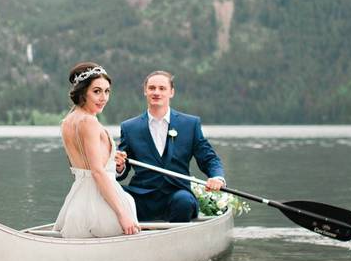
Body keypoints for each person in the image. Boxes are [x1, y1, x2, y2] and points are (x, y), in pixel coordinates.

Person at [116, 71, 225, 222]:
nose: (156, 92)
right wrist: (119, 166)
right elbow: (122, 168)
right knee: (111, 194)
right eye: (152, 88)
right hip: (141, 196)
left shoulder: (190, 124)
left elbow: (209, 158)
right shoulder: (129, 127)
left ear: (171, 92)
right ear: (145, 91)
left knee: (184, 201)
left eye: (162, 88)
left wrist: (217, 177)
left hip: (177, 195)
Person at [54, 62, 140, 238]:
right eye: (97, 91)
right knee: (128, 211)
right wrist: (122, 213)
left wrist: (110, 158)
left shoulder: (67, 122)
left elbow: (81, 162)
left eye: (107, 91)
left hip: (78, 200)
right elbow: (97, 172)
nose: (103, 98)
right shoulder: (90, 122)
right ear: (83, 92)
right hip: (98, 202)